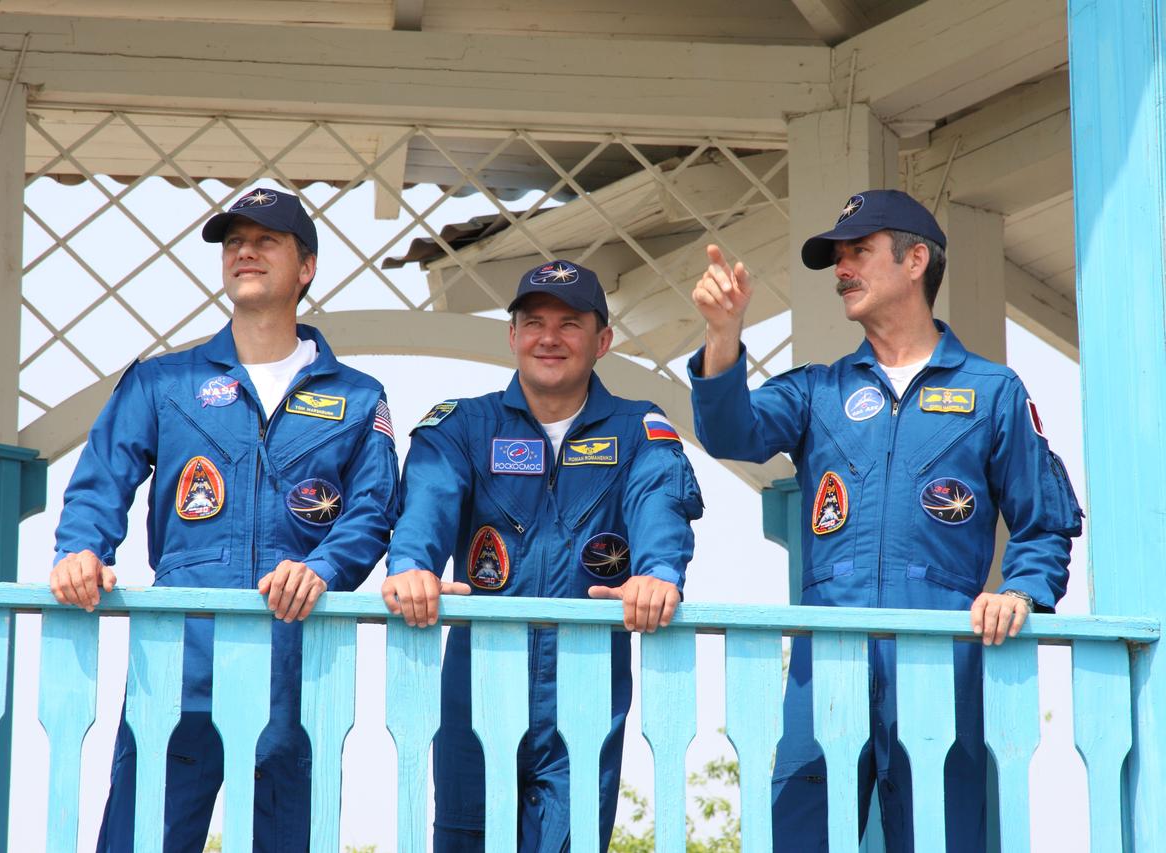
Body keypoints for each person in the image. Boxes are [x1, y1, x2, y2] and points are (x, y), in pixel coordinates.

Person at [688, 190, 1084, 852]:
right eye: (837, 257)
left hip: (940, 663)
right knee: (800, 837)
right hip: (826, 664)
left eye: (859, 252)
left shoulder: (993, 392)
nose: (842, 268)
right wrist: (723, 335)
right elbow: (732, 429)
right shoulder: (818, 389)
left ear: (915, 260)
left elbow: (1044, 523)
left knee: (940, 839)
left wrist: (1020, 591)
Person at [49, 187, 400, 852]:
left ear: (307, 267)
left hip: (300, 652)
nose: (245, 249)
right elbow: (100, 480)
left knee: (288, 837)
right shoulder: (161, 382)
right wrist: (81, 549)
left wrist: (322, 568)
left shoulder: (357, 397)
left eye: (267, 239)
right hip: (181, 653)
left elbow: (375, 509)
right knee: (139, 835)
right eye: (234, 239)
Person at [382, 259, 704, 851]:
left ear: (602, 340)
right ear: (512, 336)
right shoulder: (461, 426)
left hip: (585, 688)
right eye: (533, 323)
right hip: (477, 681)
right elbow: (426, 503)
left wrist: (657, 575)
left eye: (570, 323)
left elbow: (659, 503)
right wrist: (410, 566)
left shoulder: (640, 430)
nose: (549, 338)